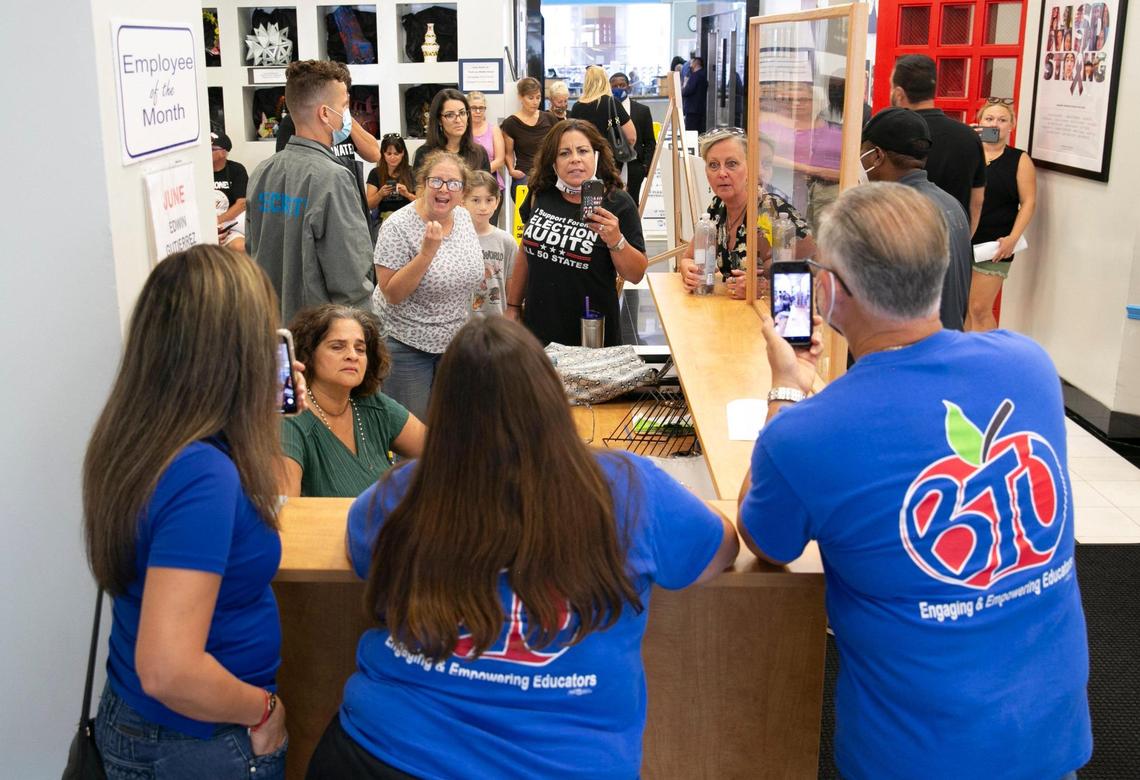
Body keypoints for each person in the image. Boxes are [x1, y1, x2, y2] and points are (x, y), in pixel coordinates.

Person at [737, 182, 1091, 780]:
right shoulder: (1029, 364)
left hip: (915, 757)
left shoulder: (803, 436)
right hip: (1050, 737)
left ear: (826, 291)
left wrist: (787, 390)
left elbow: (765, 541)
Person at [305, 316, 739, 779]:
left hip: (379, 751)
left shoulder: (403, 492)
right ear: (550, 397)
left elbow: (362, 554)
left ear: (445, 409)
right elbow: (720, 550)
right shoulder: (629, 486)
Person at [84, 245, 294, 777]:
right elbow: (169, 669)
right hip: (195, 742)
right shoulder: (201, 474)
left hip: (148, 723)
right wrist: (263, 710)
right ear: (235, 353)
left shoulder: (139, 437)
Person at [247, 60, 375, 322]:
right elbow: (350, 280)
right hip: (321, 336)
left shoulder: (262, 172)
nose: (347, 115)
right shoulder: (334, 178)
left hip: (273, 329)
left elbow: (252, 254)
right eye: (344, 107)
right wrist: (367, 342)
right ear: (325, 114)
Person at [506, 120, 648, 347]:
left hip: (591, 332)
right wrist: (513, 307)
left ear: (596, 156)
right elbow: (526, 250)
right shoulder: (540, 193)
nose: (575, 159)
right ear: (553, 161)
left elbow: (636, 274)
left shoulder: (617, 203)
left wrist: (615, 240)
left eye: (583, 151)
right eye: (564, 153)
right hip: (538, 329)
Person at [372, 150, 483, 420]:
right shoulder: (397, 227)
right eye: (437, 181)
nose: (444, 189)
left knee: (450, 429)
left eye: (453, 184)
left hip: (453, 345)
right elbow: (392, 293)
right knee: (413, 440)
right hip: (407, 345)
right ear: (423, 184)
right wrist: (426, 254)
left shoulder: (464, 218)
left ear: (462, 191)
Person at [280, 304, 425, 498]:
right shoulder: (292, 420)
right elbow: (286, 511)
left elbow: (443, 452)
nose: (352, 356)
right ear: (308, 354)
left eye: (360, 349)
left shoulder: (373, 404)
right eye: (337, 347)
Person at [860, 107, 973, 331]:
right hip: (946, 345)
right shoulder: (952, 204)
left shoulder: (895, 213)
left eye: (862, 153)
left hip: (911, 352)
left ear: (876, 155)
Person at [678, 128, 814, 301]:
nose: (722, 173)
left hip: (770, 318)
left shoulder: (773, 211)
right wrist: (688, 269)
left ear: (750, 167)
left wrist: (763, 289)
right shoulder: (718, 206)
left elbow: (814, 274)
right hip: (732, 314)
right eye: (713, 165)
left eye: (732, 164)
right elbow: (688, 257)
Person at [890, 54, 986, 235]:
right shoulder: (969, 137)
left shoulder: (891, 134)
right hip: (952, 239)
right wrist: (964, 240)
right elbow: (977, 200)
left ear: (899, 94)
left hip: (904, 244)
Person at [967, 100, 1037, 332]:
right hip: (963, 239)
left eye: (1002, 120)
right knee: (962, 307)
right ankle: (967, 359)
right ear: (979, 123)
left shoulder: (1019, 160)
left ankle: (990, 360)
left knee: (979, 308)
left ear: (1012, 125)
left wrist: (1013, 238)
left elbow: (1028, 202)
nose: (995, 124)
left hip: (995, 244)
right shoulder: (967, 154)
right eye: (989, 119)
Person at [275, 75, 380, 224]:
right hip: (318, 205)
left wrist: (346, 117)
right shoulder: (293, 123)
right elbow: (288, 169)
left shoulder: (344, 123)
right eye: (342, 100)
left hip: (350, 202)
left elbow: (374, 154)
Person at [465, 170, 518, 316]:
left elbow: (511, 288)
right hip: (461, 327)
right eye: (475, 200)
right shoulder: (454, 238)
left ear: (497, 201)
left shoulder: (507, 242)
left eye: (489, 200)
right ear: (463, 201)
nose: (483, 207)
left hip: (496, 324)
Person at [500, 77, 557, 209]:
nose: (535, 102)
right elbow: (508, 153)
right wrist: (511, 170)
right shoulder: (511, 123)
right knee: (527, 212)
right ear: (521, 97)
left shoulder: (549, 118)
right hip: (524, 173)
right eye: (530, 98)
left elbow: (557, 146)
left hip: (549, 173)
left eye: (538, 97)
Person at [411, 89, 490, 176]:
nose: (458, 120)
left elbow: (486, 188)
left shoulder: (479, 153)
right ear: (439, 120)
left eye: (462, 113)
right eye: (450, 115)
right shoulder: (424, 154)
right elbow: (420, 189)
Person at [569, 66, 637, 162]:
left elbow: (572, 137)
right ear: (605, 81)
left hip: (584, 160)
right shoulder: (612, 102)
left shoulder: (577, 106)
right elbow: (631, 137)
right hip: (609, 160)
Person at [610, 71, 657, 203]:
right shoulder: (606, 110)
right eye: (614, 86)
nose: (618, 88)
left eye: (622, 85)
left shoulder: (642, 110)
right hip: (612, 167)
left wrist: (645, 166)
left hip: (636, 167)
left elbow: (650, 141)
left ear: (628, 87)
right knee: (612, 203)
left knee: (633, 203)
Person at [467, 90, 507, 224]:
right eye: (474, 108)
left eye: (481, 108)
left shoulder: (493, 129)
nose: (478, 111)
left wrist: (480, 174)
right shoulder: (463, 131)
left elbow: (500, 159)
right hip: (466, 186)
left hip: (491, 183)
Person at [365, 134, 416, 233]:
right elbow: (369, 205)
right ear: (383, 154)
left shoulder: (412, 172)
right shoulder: (375, 173)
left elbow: (422, 202)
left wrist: (407, 194)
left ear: (403, 153)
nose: (393, 157)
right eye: (389, 154)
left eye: (396, 154)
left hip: (408, 219)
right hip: (383, 220)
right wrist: (380, 194)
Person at [212, 131, 248, 253]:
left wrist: (219, 221)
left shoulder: (236, 170)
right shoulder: (200, 170)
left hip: (229, 223)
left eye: (211, 148)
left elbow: (242, 203)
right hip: (206, 225)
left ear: (223, 152)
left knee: (241, 247)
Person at [681, 55, 708, 133]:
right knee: (699, 132)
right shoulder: (704, 75)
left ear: (696, 63)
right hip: (700, 109)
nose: (690, 65)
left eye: (691, 62)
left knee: (690, 133)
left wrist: (685, 84)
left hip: (692, 110)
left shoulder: (695, 76)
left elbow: (687, 91)